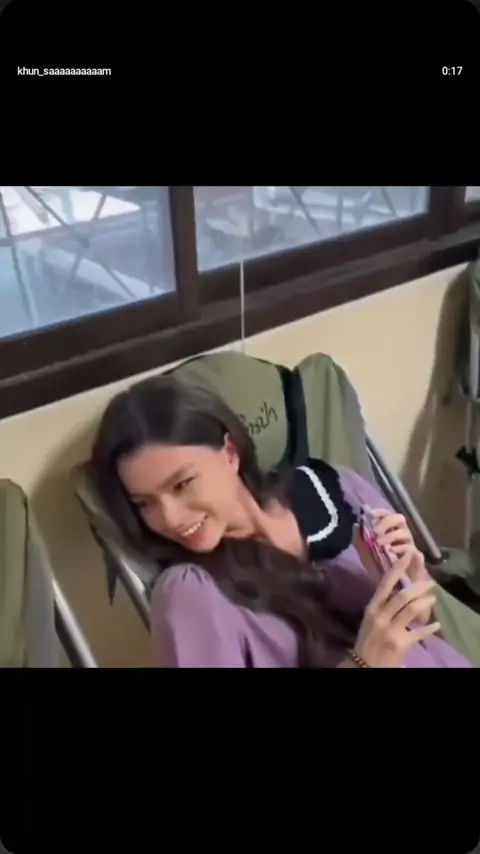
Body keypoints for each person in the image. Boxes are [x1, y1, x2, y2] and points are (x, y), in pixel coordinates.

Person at [91, 375, 473, 668]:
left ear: (229, 453)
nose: (170, 518)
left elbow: (422, 628)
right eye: (144, 503)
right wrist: (363, 662)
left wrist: (411, 580)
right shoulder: (192, 594)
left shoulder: (339, 490)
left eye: (182, 484)